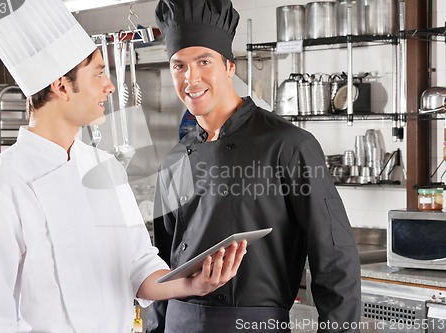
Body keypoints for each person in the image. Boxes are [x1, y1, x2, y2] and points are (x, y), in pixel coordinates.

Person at [0, 1, 246, 332]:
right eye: (98, 72)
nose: (109, 86)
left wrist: (193, 284)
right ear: (62, 86)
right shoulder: (0, 187)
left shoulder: (105, 167)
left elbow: (139, 266)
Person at [148, 0, 362, 332]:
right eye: (179, 66)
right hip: (179, 323)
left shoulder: (288, 145)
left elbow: (335, 256)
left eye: (203, 61)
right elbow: (161, 260)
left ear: (229, 67)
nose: (190, 78)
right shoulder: (176, 158)